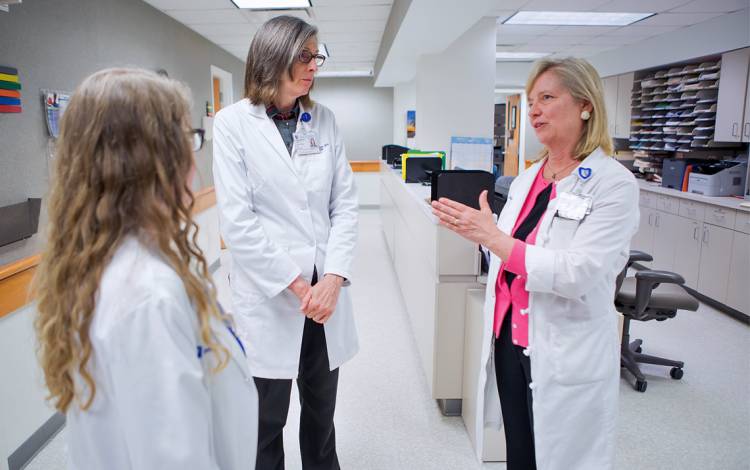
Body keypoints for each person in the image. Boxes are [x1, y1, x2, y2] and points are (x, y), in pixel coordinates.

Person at [33, 68, 258, 470]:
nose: (194, 154)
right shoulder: (146, 295)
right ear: (151, 159)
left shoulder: (115, 262)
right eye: (188, 138)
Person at [432, 57, 639, 470]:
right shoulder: (529, 179)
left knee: (563, 458)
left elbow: (579, 273)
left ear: (585, 105)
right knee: (521, 453)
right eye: (530, 102)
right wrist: (484, 237)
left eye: (547, 97)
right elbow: (510, 254)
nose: (534, 111)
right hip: (510, 340)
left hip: (564, 347)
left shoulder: (613, 183)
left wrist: (494, 239)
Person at [212, 15, 358, 470]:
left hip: (325, 299)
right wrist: (299, 287)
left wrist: (332, 279)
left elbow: (346, 205)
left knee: (321, 417)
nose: (315, 65)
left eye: (318, 56)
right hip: (273, 294)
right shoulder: (232, 124)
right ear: (274, 57)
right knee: (265, 421)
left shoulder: (325, 120)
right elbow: (238, 222)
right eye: (305, 55)